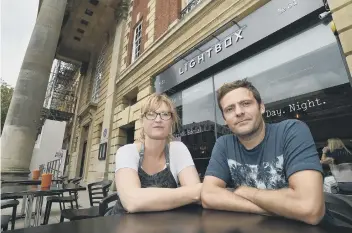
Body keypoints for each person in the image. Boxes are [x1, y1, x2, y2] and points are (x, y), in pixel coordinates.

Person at [201, 79, 325, 225]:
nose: (239, 112)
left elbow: (309, 209)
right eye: (230, 109)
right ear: (225, 120)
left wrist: (244, 191)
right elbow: (208, 195)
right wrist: (278, 208)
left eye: (246, 104)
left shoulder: (291, 131)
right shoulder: (224, 144)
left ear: (261, 107)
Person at [107, 93, 201, 215]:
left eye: (165, 114)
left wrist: (195, 192)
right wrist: (192, 192)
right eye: (151, 114)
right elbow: (132, 201)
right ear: (142, 120)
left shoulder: (178, 149)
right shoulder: (126, 151)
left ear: (172, 121)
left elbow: (197, 195)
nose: (158, 119)